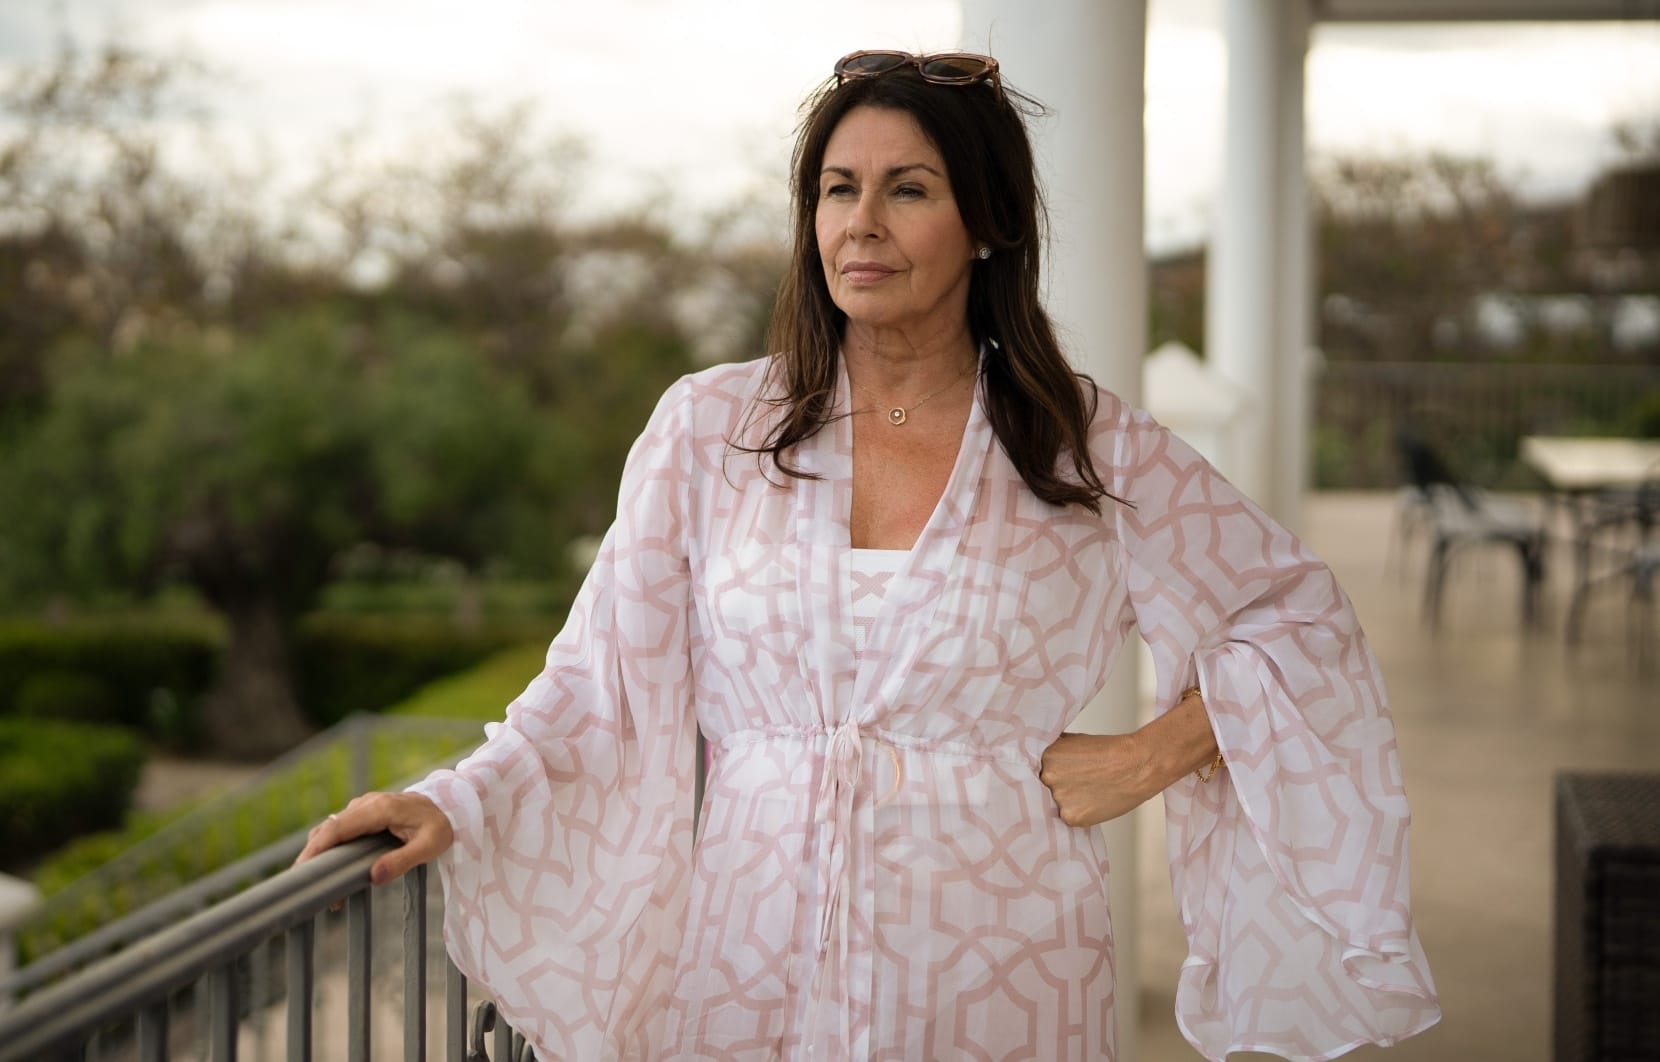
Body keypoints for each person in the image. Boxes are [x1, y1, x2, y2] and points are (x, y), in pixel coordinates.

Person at [298, 49, 1440, 1061]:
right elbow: (594, 682)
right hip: (753, 960)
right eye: (837, 191)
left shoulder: (1080, 443)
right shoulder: (712, 430)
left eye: (909, 190)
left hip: (1003, 961)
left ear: (987, 222)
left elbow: (1293, 614)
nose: (861, 224)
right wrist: (455, 800)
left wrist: (1153, 752)